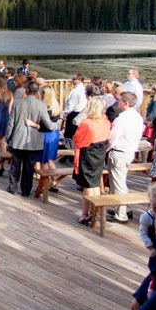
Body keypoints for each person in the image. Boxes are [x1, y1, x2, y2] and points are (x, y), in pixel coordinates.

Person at [4, 81, 56, 198]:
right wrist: (56, 125)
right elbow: (48, 124)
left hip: (18, 139)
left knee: (15, 165)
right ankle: (26, 190)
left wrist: (8, 138)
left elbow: (10, 123)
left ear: (27, 90)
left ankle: (12, 187)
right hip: (34, 141)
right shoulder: (41, 105)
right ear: (37, 92)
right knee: (29, 167)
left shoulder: (17, 103)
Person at [105, 91, 144, 223]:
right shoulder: (138, 117)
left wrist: (107, 148)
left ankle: (121, 214)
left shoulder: (121, 119)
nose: (119, 103)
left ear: (125, 103)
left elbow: (113, 137)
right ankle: (123, 207)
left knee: (118, 184)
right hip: (130, 151)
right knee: (121, 181)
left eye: (120, 101)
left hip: (119, 151)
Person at [74, 97, 111, 226]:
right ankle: (91, 211)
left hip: (88, 154)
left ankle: (89, 212)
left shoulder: (87, 123)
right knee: (93, 184)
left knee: (89, 185)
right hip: (100, 154)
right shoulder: (106, 122)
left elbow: (77, 139)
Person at [62, 74, 87, 143]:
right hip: (81, 113)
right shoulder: (84, 89)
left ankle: (68, 148)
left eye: (73, 79)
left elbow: (70, 104)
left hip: (74, 113)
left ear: (78, 80)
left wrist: (65, 114)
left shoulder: (75, 91)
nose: (72, 80)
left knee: (70, 133)